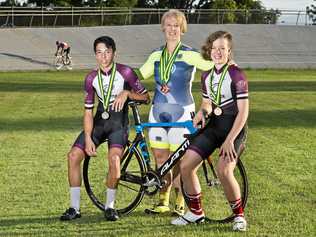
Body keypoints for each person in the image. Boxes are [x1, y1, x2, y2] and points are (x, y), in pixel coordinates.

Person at [60, 36, 149, 222]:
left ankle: (110, 207)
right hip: (99, 122)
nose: (104, 56)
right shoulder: (91, 78)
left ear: (114, 52)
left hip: (119, 124)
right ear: (95, 55)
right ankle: (74, 208)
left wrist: (127, 93)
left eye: (107, 52)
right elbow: (87, 112)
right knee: (73, 156)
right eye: (99, 52)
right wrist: (88, 137)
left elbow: (146, 97)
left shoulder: (126, 72)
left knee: (115, 161)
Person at [137, 9, 214, 216]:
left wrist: (228, 64)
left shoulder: (190, 54)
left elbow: (212, 65)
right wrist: (121, 79)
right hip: (157, 112)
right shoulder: (156, 54)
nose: (172, 29)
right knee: (161, 159)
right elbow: (138, 75)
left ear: (182, 28)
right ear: (163, 28)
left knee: (180, 160)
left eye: (176, 26)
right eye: (169, 25)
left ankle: (180, 201)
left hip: (182, 113)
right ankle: (163, 201)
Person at [171, 31, 249, 232]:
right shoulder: (206, 75)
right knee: (186, 165)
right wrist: (200, 114)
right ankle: (196, 214)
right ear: (210, 50)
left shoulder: (236, 74)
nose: (218, 52)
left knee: (224, 171)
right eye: (214, 48)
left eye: (222, 48)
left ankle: (239, 216)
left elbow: (243, 111)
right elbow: (207, 103)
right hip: (214, 127)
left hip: (233, 129)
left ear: (229, 51)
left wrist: (230, 139)